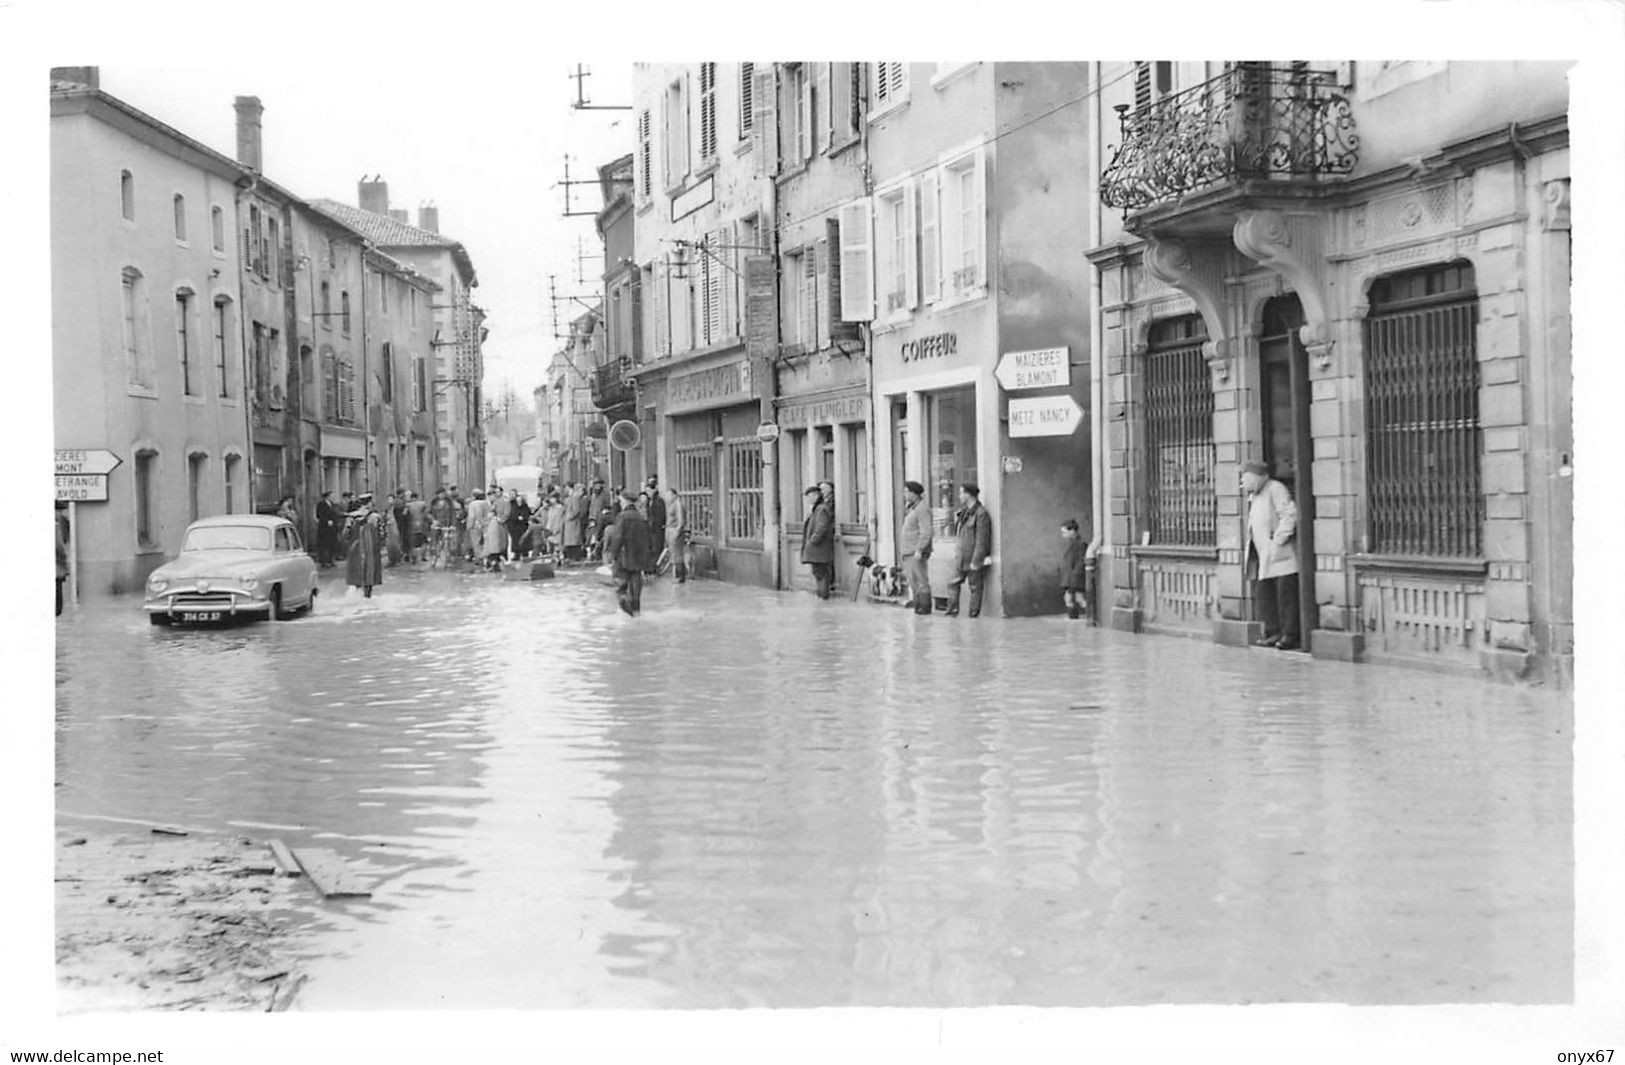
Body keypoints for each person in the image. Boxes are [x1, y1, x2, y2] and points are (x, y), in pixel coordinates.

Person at [1242, 460, 1301, 651]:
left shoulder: (1275, 489)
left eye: (1245, 478)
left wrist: (1278, 540)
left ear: (1256, 478)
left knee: (1286, 595)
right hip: (1263, 555)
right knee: (1266, 595)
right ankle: (1272, 631)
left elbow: (1289, 514)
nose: (1243, 483)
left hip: (1280, 554)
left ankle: (1289, 634)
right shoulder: (1255, 495)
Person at [604, 488, 653, 616]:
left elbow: (618, 537)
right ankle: (636, 612)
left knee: (620, 587)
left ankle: (626, 612)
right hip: (638, 558)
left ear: (625, 501)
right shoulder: (641, 517)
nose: (620, 503)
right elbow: (647, 539)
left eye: (621, 501)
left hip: (624, 558)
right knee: (636, 587)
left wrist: (613, 554)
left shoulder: (622, 517)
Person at [946, 483, 992, 618]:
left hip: (973, 558)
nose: (959, 496)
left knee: (975, 588)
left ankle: (973, 616)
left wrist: (976, 560)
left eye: (961, 493)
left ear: (968, 494)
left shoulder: (981, 513)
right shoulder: (964, 512)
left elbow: (982, 539)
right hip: (961, 558)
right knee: (952, 584)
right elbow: (959, 534)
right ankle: (951, 613)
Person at [899, 480, 933, 615]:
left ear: (914, 493)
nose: (904, 494)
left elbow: (926, 531)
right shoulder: (912, 509)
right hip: (908, 550)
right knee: (913, 582)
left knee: (920, 581)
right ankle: (918, 606)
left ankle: (924, 608)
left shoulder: (922, 509)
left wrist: (920, 549)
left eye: (906, 491)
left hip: (915, 551)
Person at [343, 492, 386, 598]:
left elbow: (345, 534)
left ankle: (356, 595)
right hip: (371, 549)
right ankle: (367, 595)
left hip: (355, 548)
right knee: (370, 574)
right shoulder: (376, 517)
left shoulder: (351, 517)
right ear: (369, 503)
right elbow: (382, 534)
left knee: (356, 572)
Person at [801, 485, 835, 600]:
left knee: (821, 573)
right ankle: (821, 596)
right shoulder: (818, 509)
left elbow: (822, 528)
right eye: (808, 497)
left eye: (811, 496)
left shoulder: (821, 509)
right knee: (818, 573)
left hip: (819, 549)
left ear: (817, 496)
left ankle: (823, 596)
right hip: (817, 549)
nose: (809, 499)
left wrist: (812, 541)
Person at [1060, 518, 1090, 620]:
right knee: (1069, 599)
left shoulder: (1081, 544)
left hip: (1075, 578)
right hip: (1070, 578)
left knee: (1079, 599)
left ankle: (1092, 616)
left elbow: (1081, 562)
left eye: (1064, 532)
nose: (1063, 535)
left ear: (1072, 531)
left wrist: (1074, 577)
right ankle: (1073, 618)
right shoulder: (1072, 544)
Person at [664, 485, 691, 582]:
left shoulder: (678, 504)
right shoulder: (672, 505)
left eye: (669, 495)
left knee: (678, 554)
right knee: (674, 555)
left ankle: (680, 576)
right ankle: (677, 575)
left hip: (675, 530)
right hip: (671, 530)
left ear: (674, 495)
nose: (667, 498)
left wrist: (677, 531)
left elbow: (681, 520)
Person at [644, 477, 666, 576]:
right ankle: (650, 567)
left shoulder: (658, 501)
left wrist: (656, 525)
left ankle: (654, 567)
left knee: (656, 548)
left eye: (649, 490)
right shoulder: (650, 501)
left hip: (657, 529)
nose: (647, 493)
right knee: (651, 548)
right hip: (650, 529)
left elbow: (660, 516)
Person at [464, 489, 492, 569]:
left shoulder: (472, 504)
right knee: (485, 542)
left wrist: (469, 526)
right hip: (486, 525)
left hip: (475, 525)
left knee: (476, 543)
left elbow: (472, 516)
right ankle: (487, 557)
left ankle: (479, 559)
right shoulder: (486, 503)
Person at [315, 489, 340, 568]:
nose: (333, 497)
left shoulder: (332, 504)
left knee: (332, 544)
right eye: (331, 496)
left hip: (332, 528)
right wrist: (326, 521)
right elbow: (319, 515)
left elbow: (335, 514)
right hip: (324, 528)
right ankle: (324, 561)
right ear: (327, 497)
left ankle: (331, 560)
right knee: (324, 545)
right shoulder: (321, 504)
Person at [405, 490, 431, 563]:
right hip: (422, 526)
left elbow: (404, 515)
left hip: (412, 527)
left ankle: (414, 558)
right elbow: (427, 514)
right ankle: (423, 556)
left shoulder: (408, 505)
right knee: (424, 542)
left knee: (413, 544)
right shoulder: (423, 504)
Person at [563, 482, 587, 562]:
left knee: (574, 541)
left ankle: (574, 557)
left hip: (573, 523)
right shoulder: (571, 497)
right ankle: (571, 557)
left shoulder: (575, 498)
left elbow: (576, 510)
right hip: (569, 523)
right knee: (570, 541)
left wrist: (570, 516)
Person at [505, 489, 531, 560]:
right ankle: (517, 554)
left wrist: (523, 517)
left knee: (524, 541)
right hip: (515, 527)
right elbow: (511, 515)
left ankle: (525, 554)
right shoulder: (512, 506)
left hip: (523, 527)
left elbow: (528, 514)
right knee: (516, 542)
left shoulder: (525, 507)